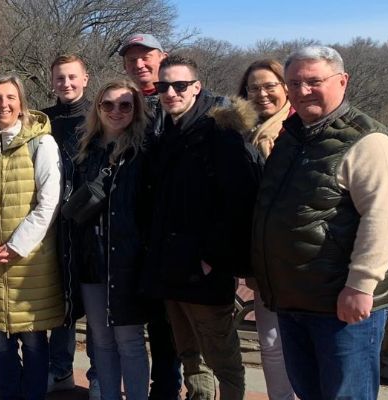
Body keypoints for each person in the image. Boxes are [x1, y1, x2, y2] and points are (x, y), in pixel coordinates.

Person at [251, 46, 388, 400]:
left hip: (341, 304)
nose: (303, 91)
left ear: (342, 81)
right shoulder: (292, 136)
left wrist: (361, 285)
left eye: (314, 81)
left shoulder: (369, 141)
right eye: (294, 83)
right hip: (293, 298)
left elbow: (383, 220)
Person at [139, 55, 259, 400]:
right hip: (170, 265)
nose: (170, 93)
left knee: (222, 356)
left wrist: (212, 259)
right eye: (163, 86)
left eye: (179, 85)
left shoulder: (219, 132)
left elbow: (239, 201)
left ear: (196, 87)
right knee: (189, 352)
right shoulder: (166, 130)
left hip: (203, 269)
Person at [0, 73, 63, 400]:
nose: (3, 104)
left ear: (21, 103)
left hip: (31, 263)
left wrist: (18, 246)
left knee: (33, 340)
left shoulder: (41, 143)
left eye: (10, 97)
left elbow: (49, 201)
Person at [61, 80, 152, 400]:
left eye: (125, 105)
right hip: (91, 258)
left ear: (136, 110)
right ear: (97, 108)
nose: (116, 111)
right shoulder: (85, 150)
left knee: (130, 341)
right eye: (108, 104)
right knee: (100, 340)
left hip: (128, 260)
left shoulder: (145, 151)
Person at [117, 32, 180, 400]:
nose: (139, 64)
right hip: (135, 233)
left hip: (173, 234)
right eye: (132, 59)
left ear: (162, 57)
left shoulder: (181, 102)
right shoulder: (124, 105)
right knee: (149, 321)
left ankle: (170, 389)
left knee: (175, 326)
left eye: (146, 57)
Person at [236, 59, 297, 400]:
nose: (261, 94)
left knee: (306, 343)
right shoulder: (243, 134)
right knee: (271, 343)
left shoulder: (299, 129)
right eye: (253, 88)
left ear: (286, 87)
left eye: (269, 86)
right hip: (260, 254)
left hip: (299, 256)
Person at [40, 54, 93, 395]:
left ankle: (98, 374)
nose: (66, 83)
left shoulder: (100, 114)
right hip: (51, 222)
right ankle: (59, 368)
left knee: (94, 302)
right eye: (60, 78)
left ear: (85, 78)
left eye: (72, 77)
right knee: (60, 300)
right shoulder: (43, 119)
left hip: (90, 220)